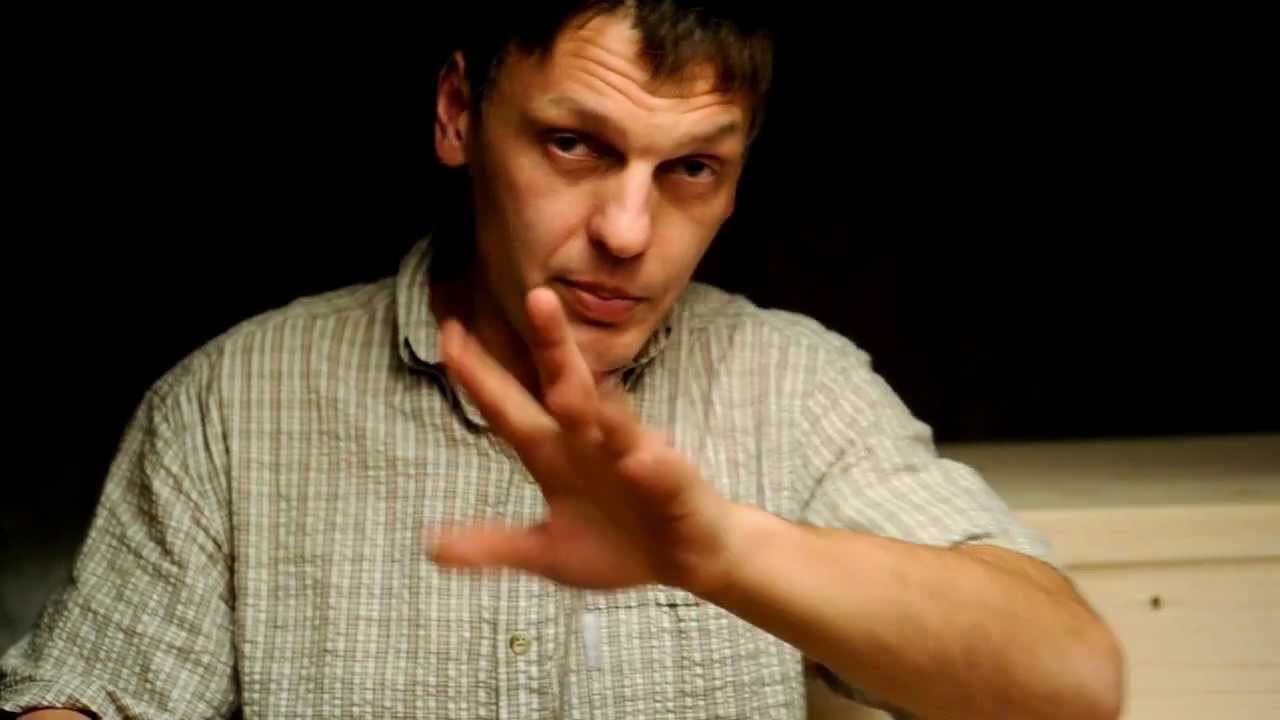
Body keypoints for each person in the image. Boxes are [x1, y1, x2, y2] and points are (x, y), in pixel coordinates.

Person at [1, 3, 1124, 718]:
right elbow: (91, 699)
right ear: (457, 112)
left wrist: (722, 551)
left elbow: (1068, 683)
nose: (629, 233)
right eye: (574, 144)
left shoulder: (796, 386)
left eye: (690, 169)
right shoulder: (236, 399)